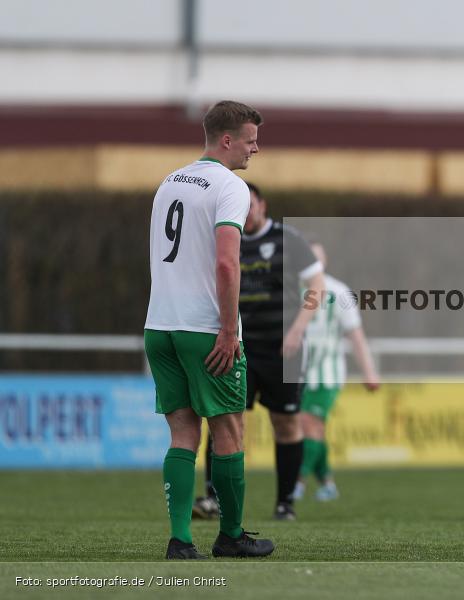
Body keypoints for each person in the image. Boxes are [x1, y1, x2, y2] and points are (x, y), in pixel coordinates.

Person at [144, 100, 274, 559]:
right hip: (204, 327)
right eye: (251, 140)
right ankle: (232, 536)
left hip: (159, 325)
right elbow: (225, 260)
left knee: (182, 434)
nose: (255, 149)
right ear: (227, 140)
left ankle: (180, 541)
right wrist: (227, 330)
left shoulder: (169, 182)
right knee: (229, 431)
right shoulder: (230, 186)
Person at [194, 183, 326, 521]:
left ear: (262, 205)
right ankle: (213, 498)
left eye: (250, 204)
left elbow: (317, 286)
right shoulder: (226, 239)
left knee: (286, 423)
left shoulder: (288, 239)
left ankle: (285, 503)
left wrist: (297, 330)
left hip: (284, 350)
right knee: (226, 421)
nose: (246, 211)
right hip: (236, 346)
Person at [294, 242, 380, 502]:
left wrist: (369, 372)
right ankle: (328, 484)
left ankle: (296, 483)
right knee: (313, 429)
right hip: (298, 372)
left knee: (309, 424)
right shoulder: (291, 289)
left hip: (328, 372)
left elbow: (356, 336)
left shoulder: (339, 291)